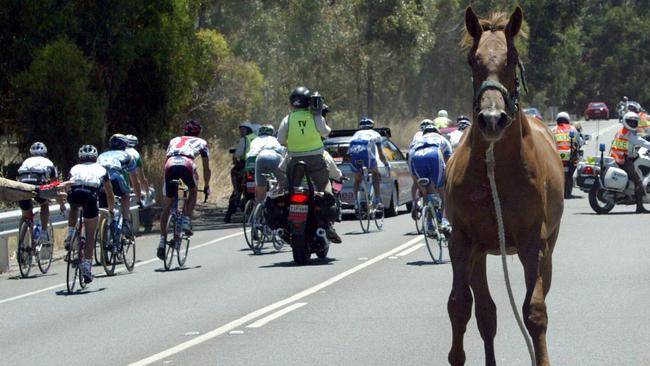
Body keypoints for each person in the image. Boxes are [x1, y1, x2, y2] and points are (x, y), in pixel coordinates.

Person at [277, 85, 341, 243]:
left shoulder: (288, 119)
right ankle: (327, 225)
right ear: (309, 101)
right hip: (316, 160)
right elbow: (325, 132)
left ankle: (285, 225)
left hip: (294, 160)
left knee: (289, 192)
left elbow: (280, 140)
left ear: (292, 103)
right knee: (324, 190)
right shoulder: (315, 116)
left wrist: (292, 144)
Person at [158, 119, 211, 259]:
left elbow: (167, 158)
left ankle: (162, 241)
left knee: (168, 205)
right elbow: (206, 168)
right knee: (193, 189)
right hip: (187, 163)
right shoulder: (202, 142)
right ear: (198, 133)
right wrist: (206, 185)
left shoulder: (174, 140)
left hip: (169, 165)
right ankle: (186, 220)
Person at [65, 145, 115, 283]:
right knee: (90, 235)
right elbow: (109, 193)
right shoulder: (102, 170)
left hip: (74, 194)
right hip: (90, 196)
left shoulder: (74, 168)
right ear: (95, 157)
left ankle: (70, 235)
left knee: (74, 207)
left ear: (80, 158)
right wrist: (111, 210)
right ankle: (87, 268)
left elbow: (67, 185)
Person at [409, 124, 452, 233]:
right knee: (443, 189)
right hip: (434, 154)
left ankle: (428, 222)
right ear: (437, 132)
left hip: (416, 156)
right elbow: (449, 161)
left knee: (426, 191)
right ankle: (444, 220)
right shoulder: (442, 139)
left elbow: (410, 156)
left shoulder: (417, 140)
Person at [16, 142, 61, 244]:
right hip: (37, 185)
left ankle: (21, 243)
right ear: (44, 154)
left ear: (31, 154)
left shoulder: (26, 161)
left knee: (25, 215)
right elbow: (55, 184)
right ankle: (44, 232)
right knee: (44, 204)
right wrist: (60, 202)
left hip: (22, 186)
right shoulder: (48, 162)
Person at [97, 134, 137, 238]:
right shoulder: (127, 156)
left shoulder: (101, 155)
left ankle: (102, 236)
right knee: (125, 194)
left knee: (105, 208)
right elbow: (133, 177)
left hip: (100, 180)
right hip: (115, 177)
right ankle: (125, 222)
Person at [610, 111, 650, 213]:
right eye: (631, 122)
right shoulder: (629, 135)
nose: (633, 124)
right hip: (624, 160)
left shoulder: (620, 132)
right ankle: (639, 207)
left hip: (615, 158)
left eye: (634, 122)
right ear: (625, 121)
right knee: (638, 182)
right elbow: (642, 142)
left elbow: (626, 145)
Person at [348, 117, 390, 209]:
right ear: (372, 126)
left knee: (357, 179)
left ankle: (356, 202)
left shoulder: (356, 134)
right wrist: (386, 164)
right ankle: (378, 200)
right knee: (376, 174)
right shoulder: (375, 134)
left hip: (353, 151)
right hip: (365, 151)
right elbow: (381, 154)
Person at [225, 121, 257, 223]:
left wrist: (234, 159)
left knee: (233, 171)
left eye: (243, 129)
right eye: (240, 129)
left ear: (248, 130)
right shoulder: (256, 138)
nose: (241, 131)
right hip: (257, 166)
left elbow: (237, 154)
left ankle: (236, 191)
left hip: (245, 165)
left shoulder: (244, 140)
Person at [248, 124, 286, 203]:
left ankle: (258, 208)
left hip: (259, 158)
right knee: (283, 183)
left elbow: (250, 155)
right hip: (275, 156)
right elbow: (283, 154)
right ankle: (279, 200)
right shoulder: (276, 140)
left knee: (260, 188)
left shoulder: (255, 140)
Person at [551, 112, 579, 198]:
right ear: (568, 120)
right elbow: (579, 141)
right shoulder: (573, 129)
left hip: (557, 157)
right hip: (570, 158)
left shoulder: (553, 129)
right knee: (570, 175)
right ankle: (568, 192)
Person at [124, 134, 151, 207]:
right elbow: (140, 180)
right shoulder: (135, 153)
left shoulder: (120, 151)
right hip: (134, 160)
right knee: (138, 179)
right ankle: (144, 197)